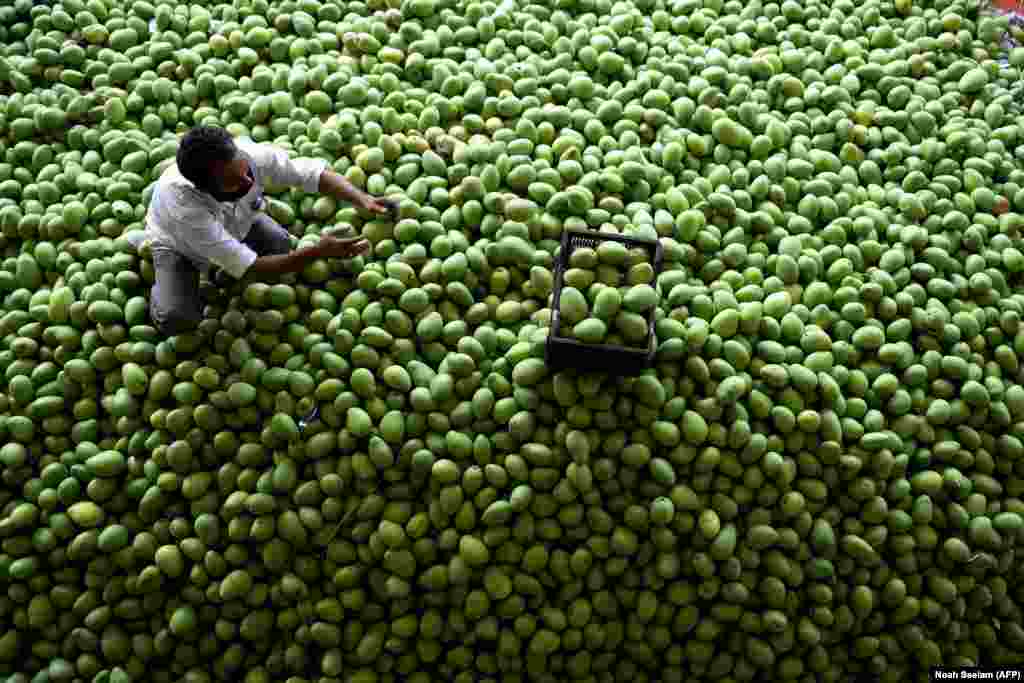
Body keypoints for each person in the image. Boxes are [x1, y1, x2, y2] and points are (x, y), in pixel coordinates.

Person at [128, 125, 394, 336]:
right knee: (178, 318)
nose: (246, 181)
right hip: (178, 243)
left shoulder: (247, 156)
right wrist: (319, 252)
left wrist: (362, 199)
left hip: (237, 224)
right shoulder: (185, 207)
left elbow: (310, 173)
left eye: (244, 171)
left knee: (280, 246)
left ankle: (222, 268)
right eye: (233, 182)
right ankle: (151, 255)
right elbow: (252, 267)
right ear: (205, 187)